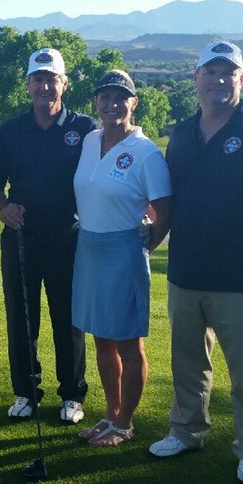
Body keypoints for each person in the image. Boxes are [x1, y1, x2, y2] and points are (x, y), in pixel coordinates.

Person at [147, 41, 243, 484]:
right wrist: (151, 226)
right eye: (210, 72)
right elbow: (169, 197)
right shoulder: (182, 133)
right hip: (187, 270)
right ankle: (186, 431)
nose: (218, 80)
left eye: (227, 72)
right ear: (195, 79)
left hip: (242, 272)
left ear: (241, 79)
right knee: (187, 360)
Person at [0, 48, 98, 424]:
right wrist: (3, 208)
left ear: (64, 84)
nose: (45, 86)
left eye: (52, 79)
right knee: (22, 318)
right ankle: (26, 392)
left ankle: (72, 394)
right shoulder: (11, 131)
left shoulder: (84, 129)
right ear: (28, 85)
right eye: (38, 80)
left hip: (69, 237)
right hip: (21, 237)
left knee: (69, 319)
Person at [72, 69, 172, 447]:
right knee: (102, 341)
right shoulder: (89, 140)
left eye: (121, 97)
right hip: (89, 250)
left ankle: (125, 423)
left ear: (134, 103)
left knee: (129, 346)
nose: (112, 104)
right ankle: (111, 415)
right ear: (96, 101)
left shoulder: (145, 152)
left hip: (123, 252)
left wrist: (145, 245)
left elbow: (164, 209)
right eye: (105, 97)